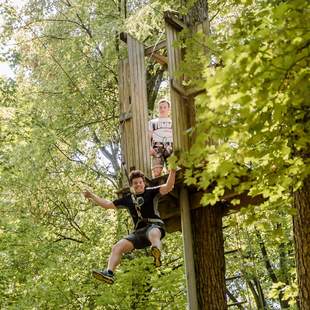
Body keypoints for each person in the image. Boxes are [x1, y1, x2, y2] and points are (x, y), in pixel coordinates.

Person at [83, 168, 176, 284]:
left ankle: (156, 251)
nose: (138, 185)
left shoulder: (151, 192)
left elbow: (168, 186)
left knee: (153, 233)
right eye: (135, 183)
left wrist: (172, 171)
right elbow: (107, 204)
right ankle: (109, 273)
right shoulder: (128, 200)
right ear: (132, 186)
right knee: (117, 247)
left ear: (144, 183)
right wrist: (92, 195)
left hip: (154, 225)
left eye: (140, 182)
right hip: (138, 233)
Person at [149, 99, 173, 178]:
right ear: (158, 109)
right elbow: (149, 136)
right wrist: (149, 147)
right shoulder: (152, 122)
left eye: (164, 107)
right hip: (157, 149)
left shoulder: (173, 122)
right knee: (157, 173)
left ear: (168, 109)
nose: (162, 109)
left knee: (172, 170)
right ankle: (158, 189)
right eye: (160, 107)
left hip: (170, 149)